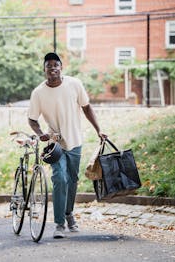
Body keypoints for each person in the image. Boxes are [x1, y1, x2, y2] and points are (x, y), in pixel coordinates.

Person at [28, 52, 107, 239]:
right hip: (55, 145)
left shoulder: (74, 84)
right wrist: (41, 135)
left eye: (56, 65)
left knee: (72, 180)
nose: (53, 68)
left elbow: (87, 107)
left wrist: (99, 130)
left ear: (61, 67)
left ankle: (69, 214)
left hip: (75, 141)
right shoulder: (38, 93)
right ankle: (59, 224)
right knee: (59, 178)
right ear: (44, 70)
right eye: (49, 66)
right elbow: (32, 119)